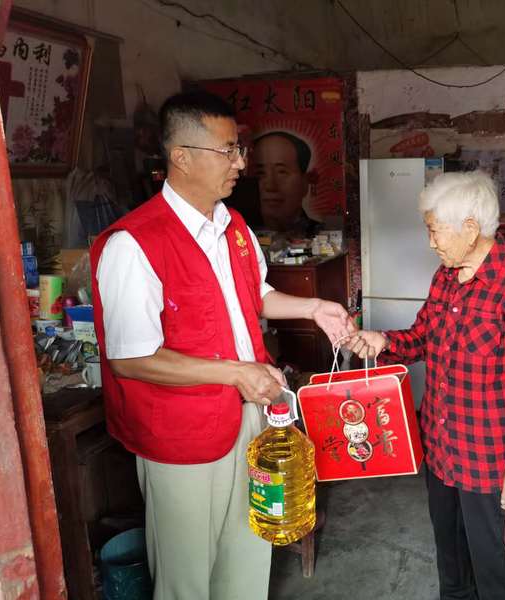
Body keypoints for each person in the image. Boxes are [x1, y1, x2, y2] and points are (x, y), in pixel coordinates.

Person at [90, 91, 354, 600]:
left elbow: (255, 295)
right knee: (187, 574)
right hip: (181, 434)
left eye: (239, 149)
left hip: (248, 418)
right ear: (182, 157)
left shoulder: (233, 227)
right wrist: (235, 372)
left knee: (248, 551)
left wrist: (313, 308)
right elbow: (131, 359)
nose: (240, 163)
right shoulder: (134, 244)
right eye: (228, 150)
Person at [348, 171, 505, 600]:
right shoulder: (445, 277)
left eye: (434, 231)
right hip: (441, 450)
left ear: (470, 228)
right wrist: (382, 341)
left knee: (496, 565)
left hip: (488, 460)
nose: (430, 243)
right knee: (451, 560)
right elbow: (422, 337)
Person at [250, 130, 323, 236]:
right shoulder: (242, 234)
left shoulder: (319, 233)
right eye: (261, 173)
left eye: (282, 172)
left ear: (304, 182)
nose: (270, 186)